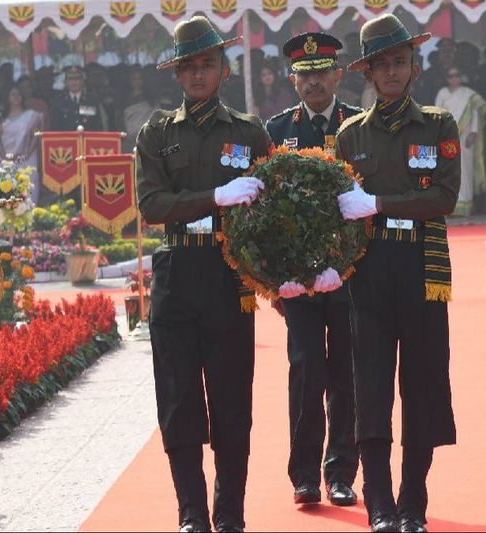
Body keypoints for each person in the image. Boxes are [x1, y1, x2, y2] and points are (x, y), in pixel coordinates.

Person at [134, 15, 271, 533]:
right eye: (188, 66)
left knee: (233, 402)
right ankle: (191, 513)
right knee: (179, 401)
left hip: (228, 272)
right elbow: (152, 204)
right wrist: (214, 196)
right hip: (176, 271)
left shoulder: (249, 132)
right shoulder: (157, 133)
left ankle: (229, 514)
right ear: (176, 73)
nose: (198, 74)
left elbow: (272, 206)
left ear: (224, 70)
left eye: (207, 64)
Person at [334, 14, 459, 533]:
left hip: (421, 266)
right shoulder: (350, 136)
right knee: (371, 388)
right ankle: (380, 502)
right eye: (382, 63)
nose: (391, 71)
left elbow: (444, 198)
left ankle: (413, 504)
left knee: (422, 385)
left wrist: (380, 203)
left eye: (400, 62)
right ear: (367, 72)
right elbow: (337, 213)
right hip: (370, 271)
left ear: (414, 67)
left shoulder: (438, 125)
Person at [264, 31, 363, 509]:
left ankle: (341, 472)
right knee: (305, 372)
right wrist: (271, 280)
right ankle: (303, 474)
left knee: (346, 373)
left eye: (322, 73)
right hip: (298, 278)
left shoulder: (357, 126)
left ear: (338, 75)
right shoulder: (277, 130)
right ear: (293, 80)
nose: (314, 83)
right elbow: (263, 206)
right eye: (305, 76)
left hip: (349, 274)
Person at [435, 66, 485, 216]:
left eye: (457, 75)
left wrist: (473, 133)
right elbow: (437, 114)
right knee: (449, 170)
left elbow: (475, 113)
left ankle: (465, 206)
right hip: (447, 136)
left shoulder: (468, 94)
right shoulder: (442, 93)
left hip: (465, 138)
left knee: (465, 170)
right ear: (447, 79)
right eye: (451, 76)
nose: (454, 78)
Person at [0, 84, 44, 204]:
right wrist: (4, 155)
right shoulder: (2, 117)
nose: (16, 97)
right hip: (7, 160)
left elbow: (36, 136)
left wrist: (27, 153)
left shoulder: (31, 115)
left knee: (28, 191)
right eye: (13, 94)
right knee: (8, 193)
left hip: (26, 159)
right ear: (8, 98)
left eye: (18, 94)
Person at [50, 65, 104, 131]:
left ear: (82, 81)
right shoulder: (58, 102)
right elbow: (54, 128)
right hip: (66, 137)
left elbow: (98, 126)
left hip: (86, 137)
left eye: (77, 79)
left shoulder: (91, 100)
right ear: (66, 82)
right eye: (70, 79)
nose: (73, 82)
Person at [122, 67, 154, 152]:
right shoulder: (125, 100)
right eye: (134, 79)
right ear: (130, 81)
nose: (137, 82)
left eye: (139, 78)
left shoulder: (151, 99)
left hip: (147, 139)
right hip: (131, 141)